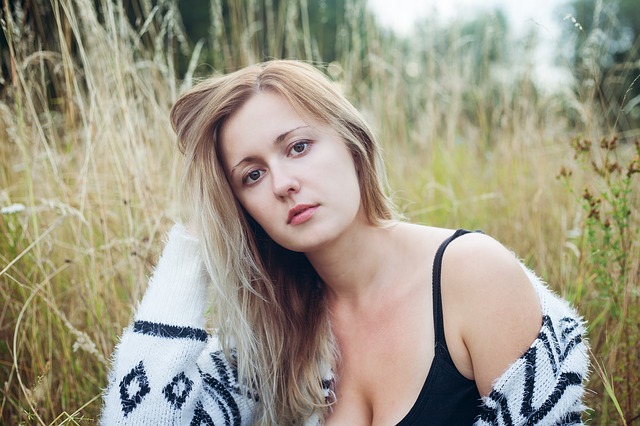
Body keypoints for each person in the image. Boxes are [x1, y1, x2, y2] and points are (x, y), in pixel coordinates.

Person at [101, 60, 589, 425]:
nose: (283, 184)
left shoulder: (472, 276)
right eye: (252, 175)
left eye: (298, 147)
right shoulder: (275, 335)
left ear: (352, 143)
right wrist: (195, 247)